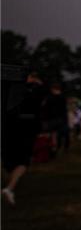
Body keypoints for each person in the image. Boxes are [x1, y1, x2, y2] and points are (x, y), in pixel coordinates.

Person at [2, 72, 45, 206]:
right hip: (26, 130)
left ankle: (8, 183)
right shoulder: (35, 93)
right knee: (23, 162)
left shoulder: (11, 91)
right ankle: (9, 188)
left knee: (6, 158)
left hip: (9, 128)